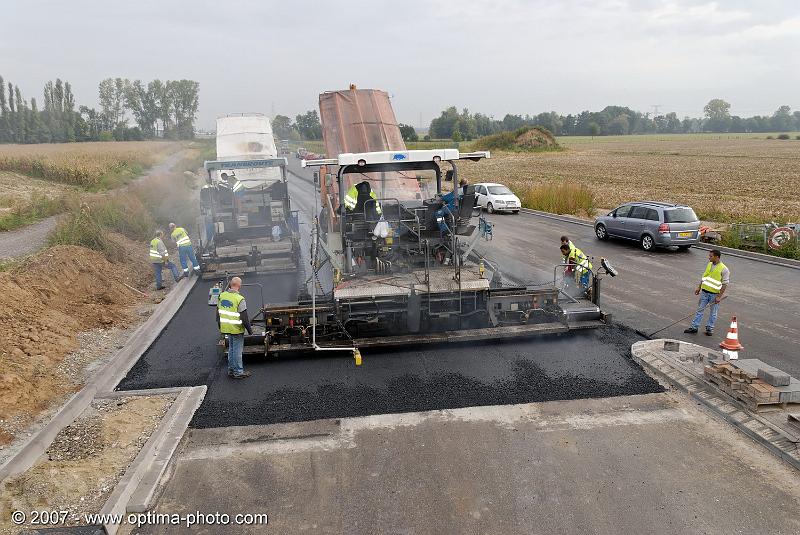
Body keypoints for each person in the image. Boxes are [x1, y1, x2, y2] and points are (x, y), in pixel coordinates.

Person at [685, 249, 729, 336]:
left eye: (711, 256)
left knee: (713, 313)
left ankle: (710, 329)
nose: (709, 258)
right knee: (699, 310)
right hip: (704, 293)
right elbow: (704, 277)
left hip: (714, 295)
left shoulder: (724, 269)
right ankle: (694, 327)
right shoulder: (709, 264)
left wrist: (719, 296)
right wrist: (699, 287)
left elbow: (725, 284)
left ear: (717, 257)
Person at [217, 276, 253, 379]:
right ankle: (238, 372)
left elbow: (218, 313)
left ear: (230, 284)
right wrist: (250, 331)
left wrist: (220, 326)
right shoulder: (239, 299)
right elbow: (244, 317)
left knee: (231, 349)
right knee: (237, 350)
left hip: (226, 328)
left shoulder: (222, 296)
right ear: (239, 286)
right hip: (236, 329)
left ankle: (231, 369)